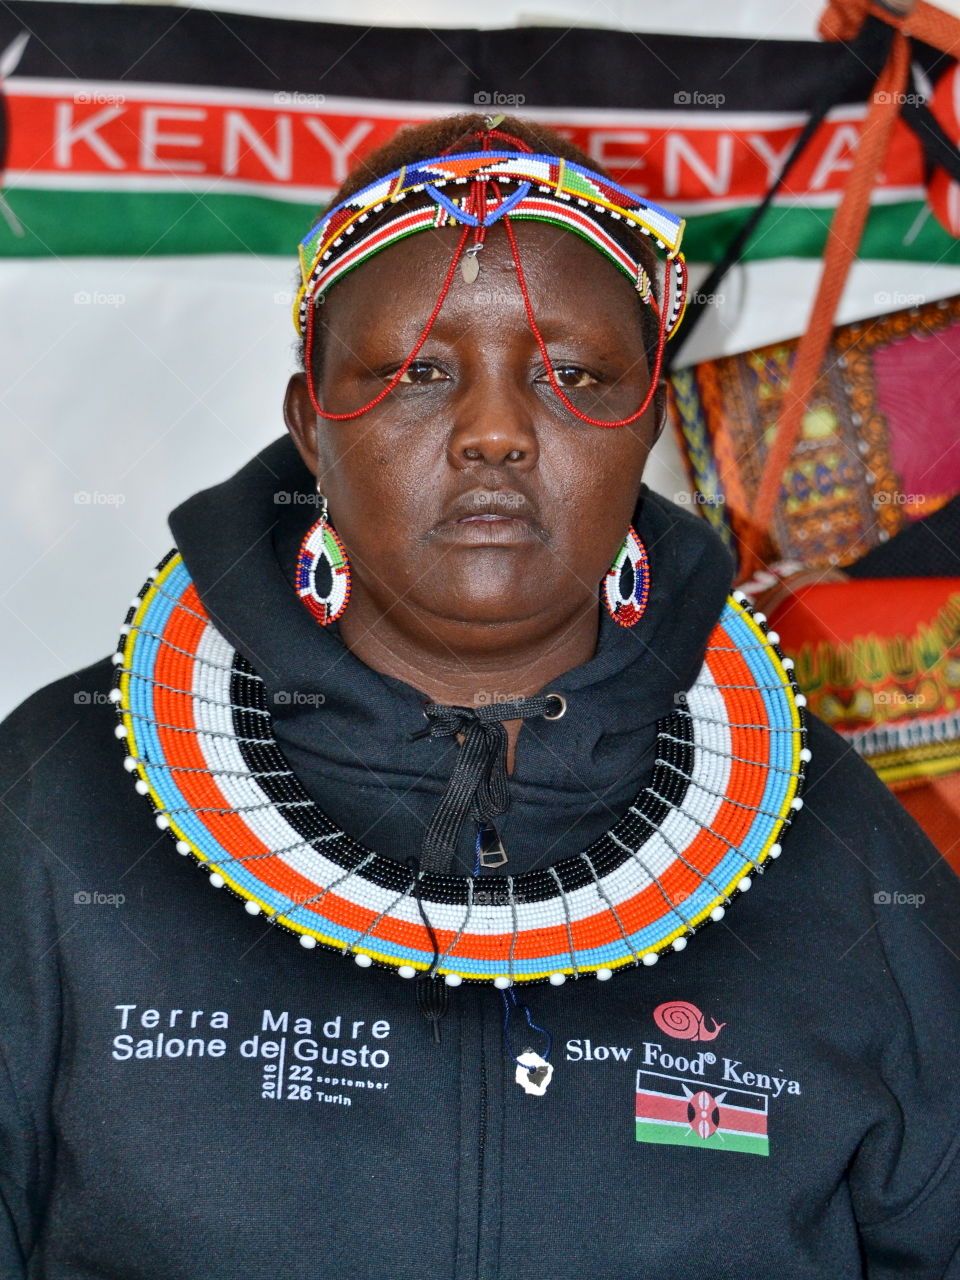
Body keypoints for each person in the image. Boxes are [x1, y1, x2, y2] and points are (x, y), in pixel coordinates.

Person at [1, 112, 958, 1280]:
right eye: (419, 371)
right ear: (310, 424)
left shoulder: (844, 856)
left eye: (575, 375)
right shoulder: (59, 804)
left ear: (647, 415)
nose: (496, 432)